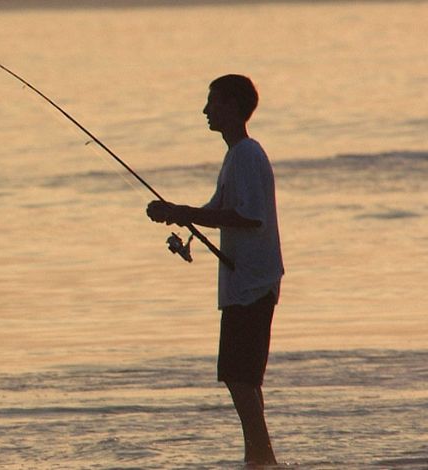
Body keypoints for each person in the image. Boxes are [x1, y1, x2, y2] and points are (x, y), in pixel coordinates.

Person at [146, 74, 283, 466]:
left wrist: (185, 213)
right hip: (245, 283)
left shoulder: (247, 155)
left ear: (235, 107)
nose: (206, 110)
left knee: (240, 378)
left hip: (253, 282)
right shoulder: (235, 156)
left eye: (214, 102)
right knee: (242, 378)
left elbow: (249, 217)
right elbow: (217, 211)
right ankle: (258, 455)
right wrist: (176, 212)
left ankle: (262, 457)